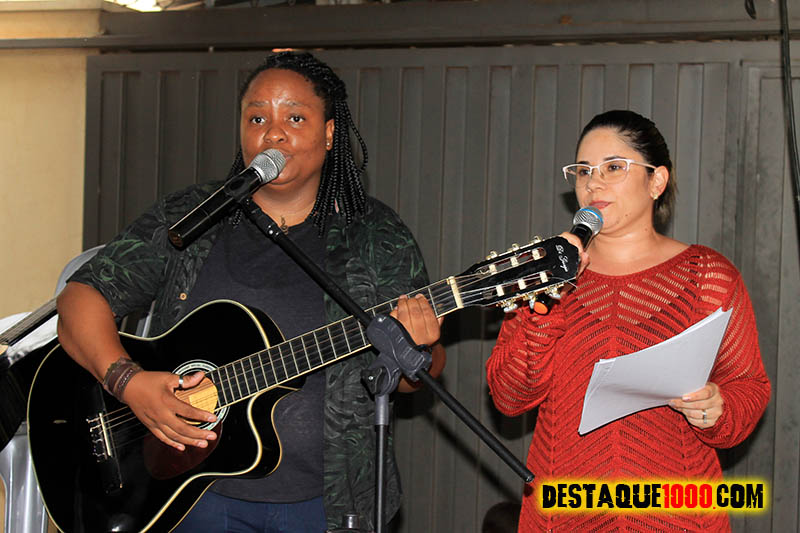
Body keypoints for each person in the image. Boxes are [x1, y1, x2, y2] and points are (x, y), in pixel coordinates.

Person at [56, 51, 445, 532]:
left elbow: (414, 377)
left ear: (329, 133)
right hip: (189, 498)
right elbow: (80, 299)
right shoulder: (192, 216)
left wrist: (418, 350)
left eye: (295, 118)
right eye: (257, 118)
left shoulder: (376, 235)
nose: (273, 133)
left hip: (326, 504)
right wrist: (127, 382)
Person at [486, 109, 770, 532]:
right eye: (583, 170)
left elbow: (749, 387)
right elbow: (510, 398)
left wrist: (718, 407)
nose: (593, 182)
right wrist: (546, 304)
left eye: (613, 167)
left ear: (657, 181)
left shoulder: (708, 276)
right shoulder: (543, 276)